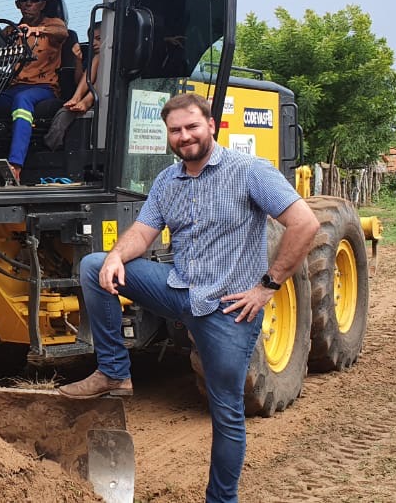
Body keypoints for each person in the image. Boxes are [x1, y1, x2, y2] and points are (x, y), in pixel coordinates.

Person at [57, 93, 318, 503]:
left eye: (192, 127)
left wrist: (268, 285)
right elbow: (143, 234)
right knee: (93, 266)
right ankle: (113, 370)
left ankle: (221, 500)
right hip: (179, 290)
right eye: (175, 130)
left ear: (211, 126)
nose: (184, 136)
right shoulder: (167, 180)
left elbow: (304, 223)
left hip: (227, 310)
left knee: (227, 414)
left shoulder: (249, 172)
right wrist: (115, 258)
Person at [0, 0, 69, 183]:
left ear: (42, 4)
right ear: (17, 4)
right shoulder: (11, 32)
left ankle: (15, 166)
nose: (29, 3)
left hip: (44, 89)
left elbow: (62, 33)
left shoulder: (54, 25)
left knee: (22, 101)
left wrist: (37, 30)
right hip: (14, 87)